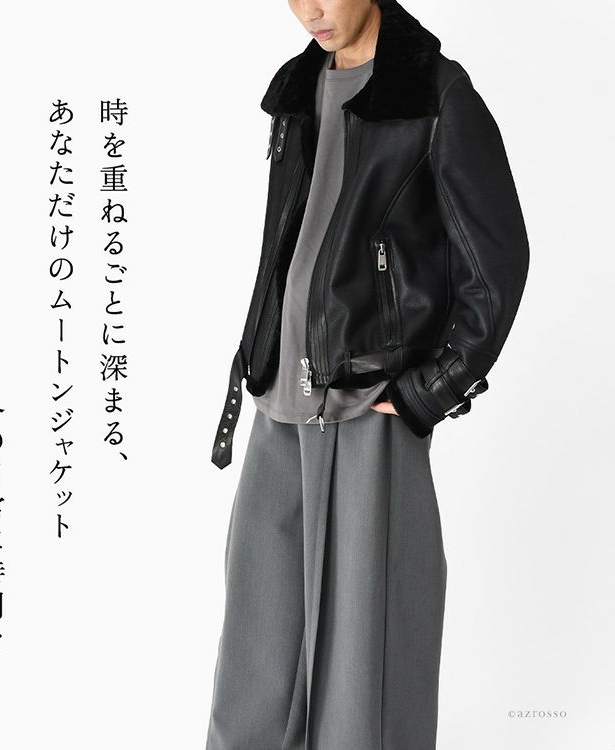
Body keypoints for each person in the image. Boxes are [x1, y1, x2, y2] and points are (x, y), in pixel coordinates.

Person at [206, 0, 529, 747]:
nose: (309, 10)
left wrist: (427, 392)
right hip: (277, 402)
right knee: (254, 668)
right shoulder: (297, 90)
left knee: (364, 679)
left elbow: (498, 265)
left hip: (366, 410)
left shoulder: (435, 94)